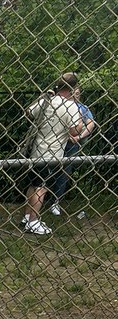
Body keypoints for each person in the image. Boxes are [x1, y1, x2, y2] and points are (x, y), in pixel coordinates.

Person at [21, 73, 82, 236]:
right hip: (52, 152)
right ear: (72, 89)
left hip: (36, 149)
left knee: (33, 184)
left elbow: (28, 113)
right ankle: (33, 222)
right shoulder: (71, 106)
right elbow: (75, 131)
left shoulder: (46, 100)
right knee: (42, 187)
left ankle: (27, 217)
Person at [49, 87, 96, 217]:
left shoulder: (83, 108)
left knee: (64, 172)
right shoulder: (59, 104)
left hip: (71, 145)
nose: (76, 95)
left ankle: (55, 202)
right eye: (73, 93)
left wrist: (78, 137)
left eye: (78, 93)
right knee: (47, 168)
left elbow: (91, 124)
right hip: (55, 142)